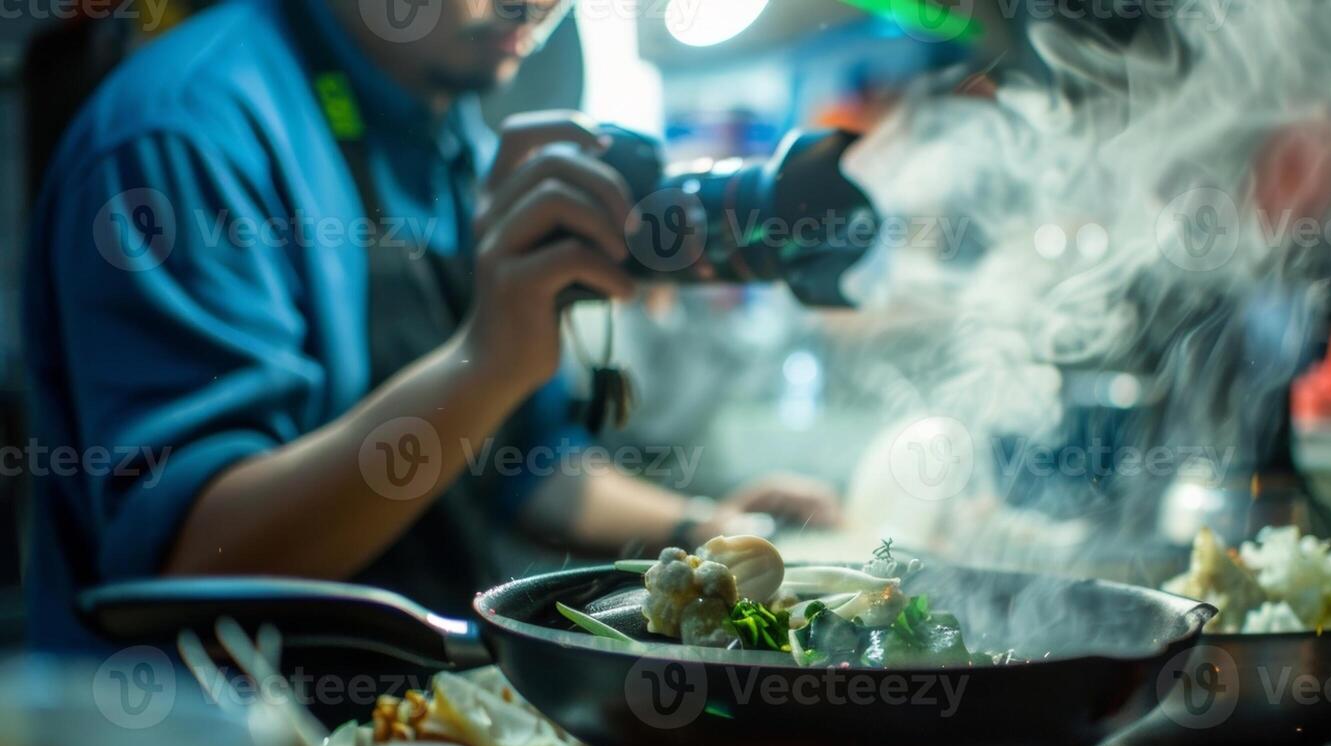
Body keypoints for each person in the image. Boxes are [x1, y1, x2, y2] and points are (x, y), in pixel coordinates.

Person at [22, 0, 839, 652]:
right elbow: (201, 559)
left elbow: (520, 461)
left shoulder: (443, 131)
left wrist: (706, 533)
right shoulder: (185, 133)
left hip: (418, 733)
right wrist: (487, 362)